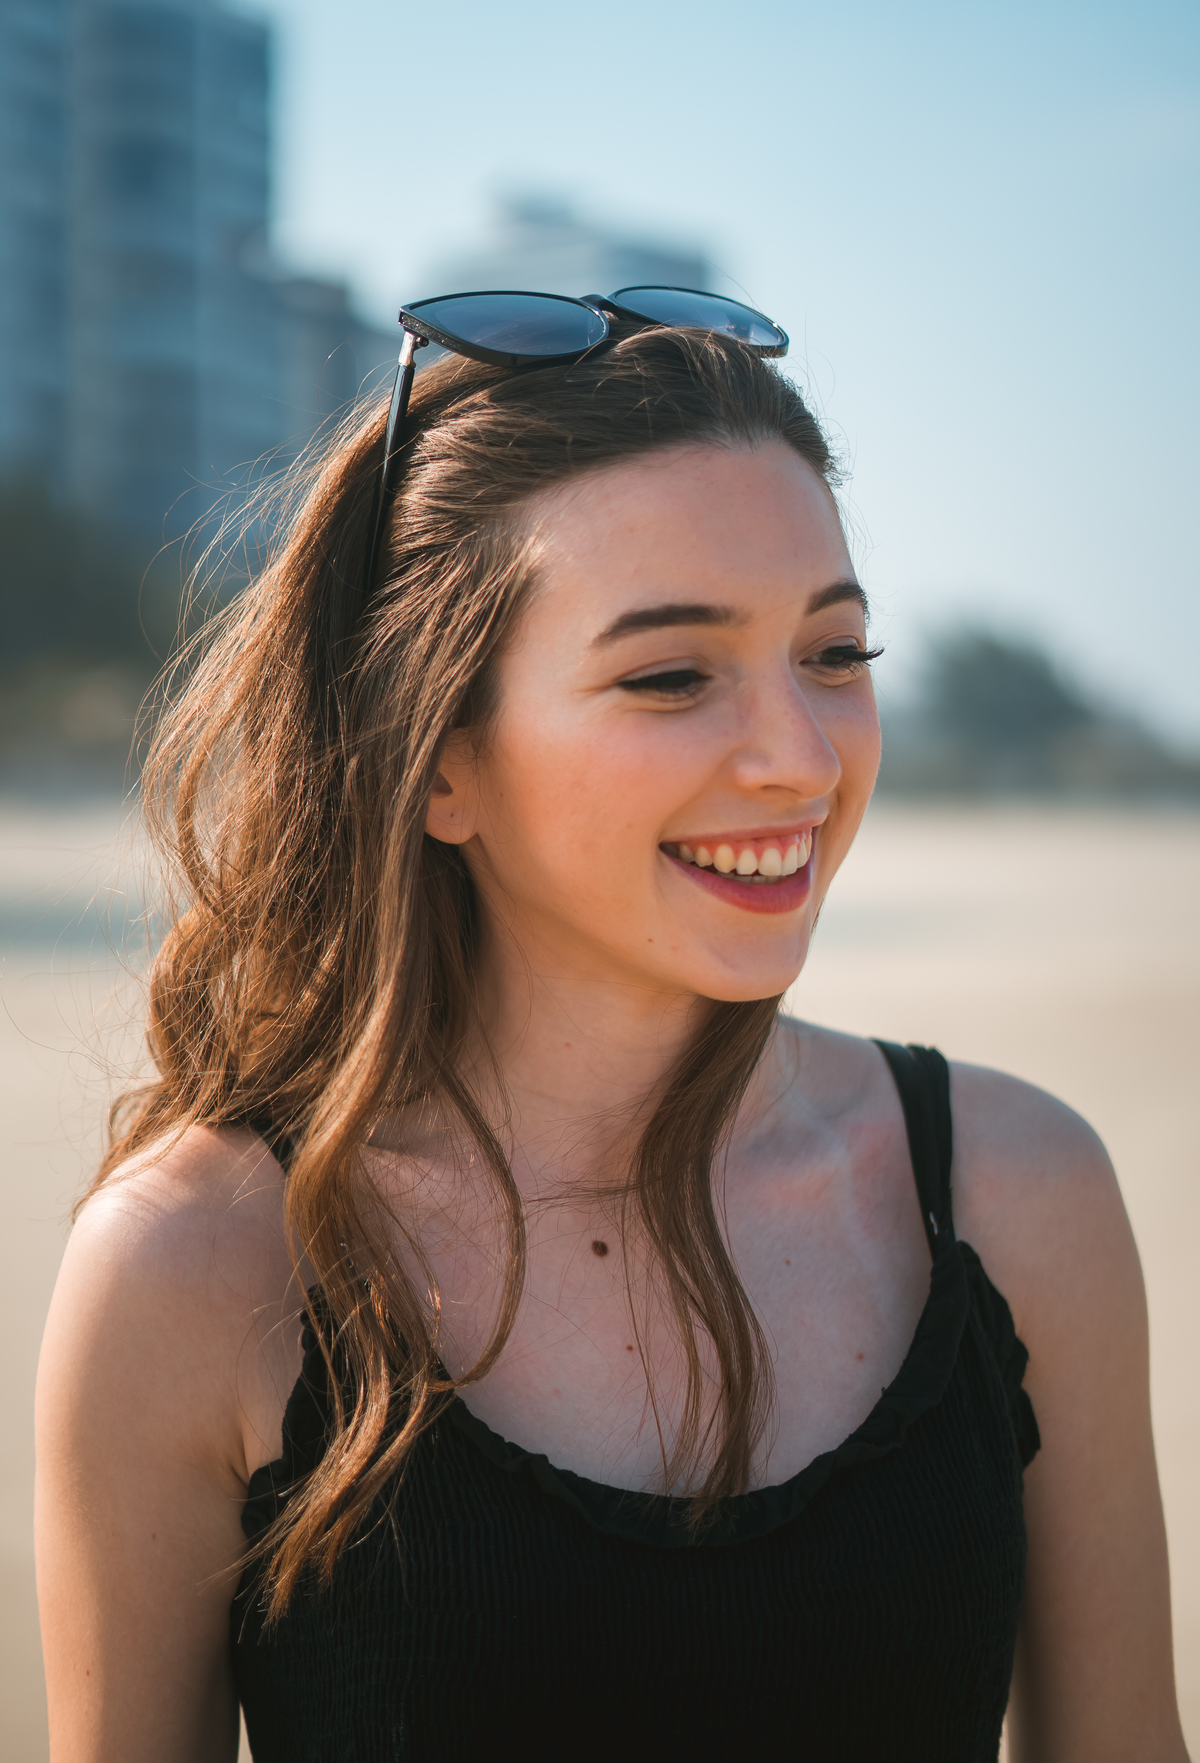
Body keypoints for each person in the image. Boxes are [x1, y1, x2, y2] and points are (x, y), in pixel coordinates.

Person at [35, 294, 1189, 1762]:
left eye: (835, 655)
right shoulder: (200, 1264)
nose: (801, 759)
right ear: (438, 760)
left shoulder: (1018, 1195)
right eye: (671, 676)